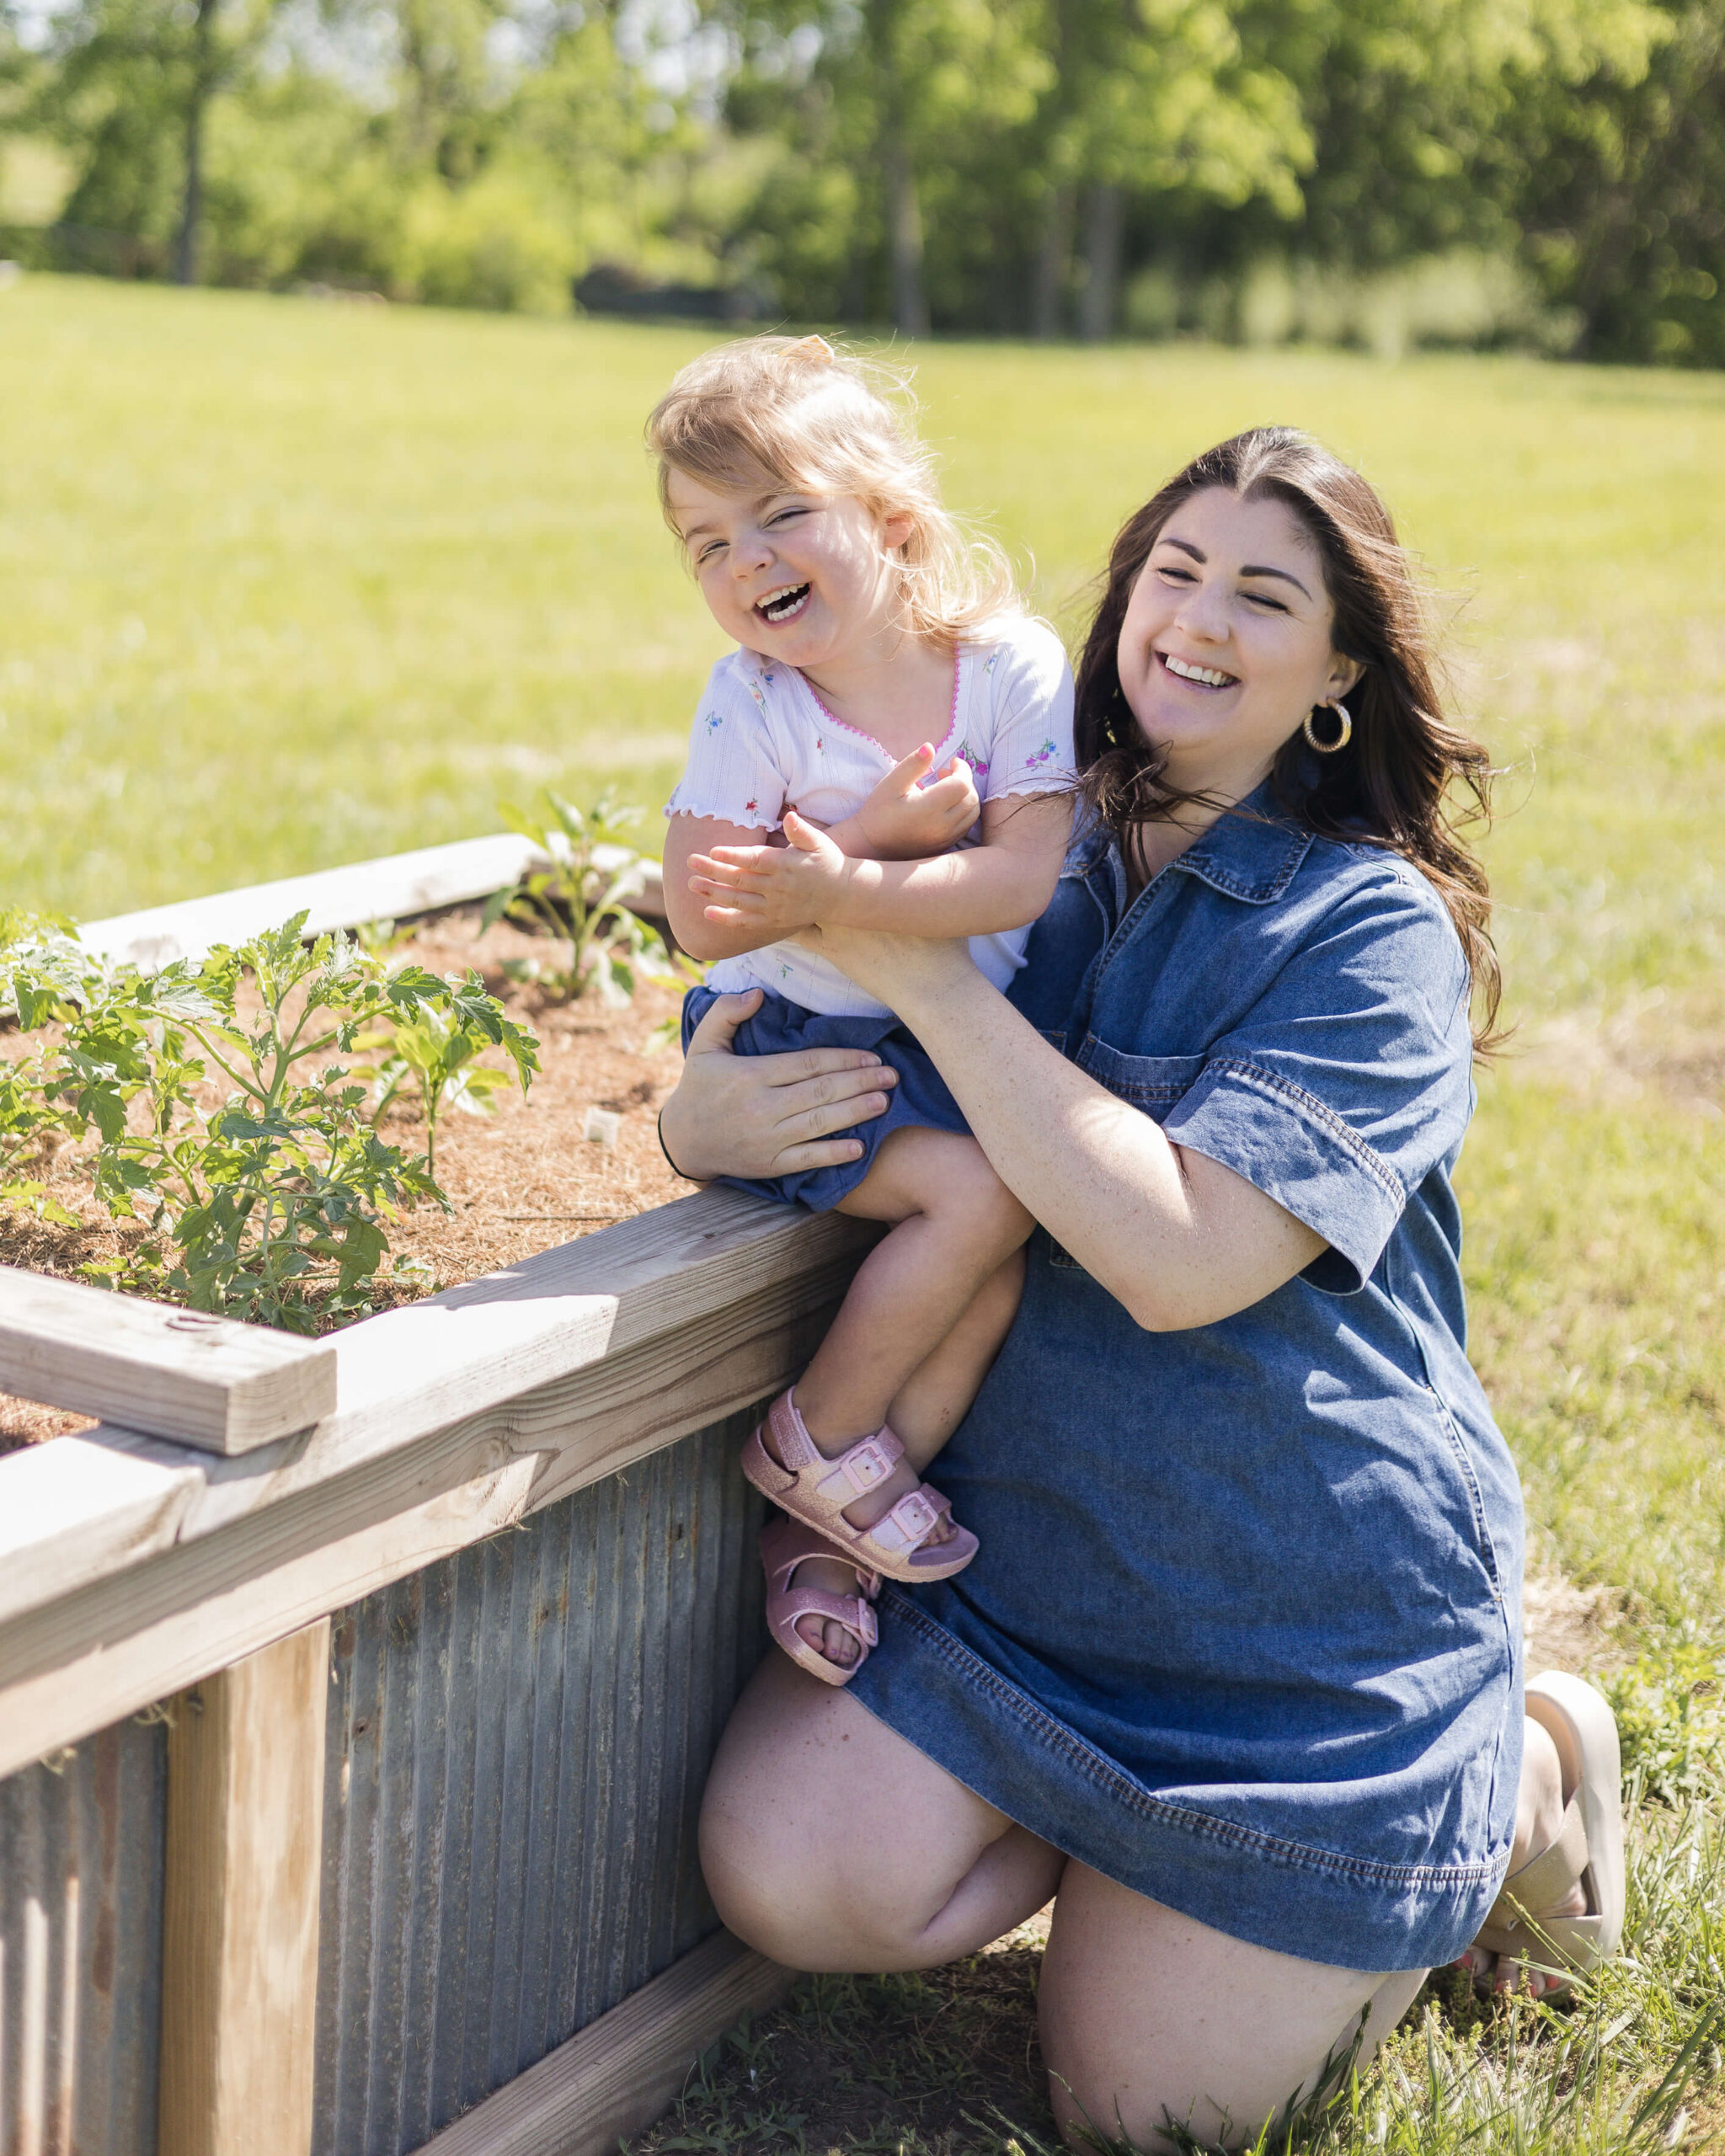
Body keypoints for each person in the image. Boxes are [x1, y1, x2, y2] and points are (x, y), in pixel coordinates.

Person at [657, 427, 1626, 2148]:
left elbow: (1178, 1256)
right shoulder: (1029, 828)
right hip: (1028, 1563)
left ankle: (1531, 1755)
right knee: (789, 1874)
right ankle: (1114, 1849)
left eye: (1262, 595)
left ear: (1337, 672)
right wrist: (701, 1107)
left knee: (1143, 2109)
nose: (1195, 618)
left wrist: (930, 971)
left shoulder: (1361, 928)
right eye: (1173, 571)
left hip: (1294, 1611)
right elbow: (787, 977)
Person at [649, 334, 1076, 1682]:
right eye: (705, 543)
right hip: (792, 1042)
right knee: (983, 1207)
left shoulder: (1006, 666)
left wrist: (839, 876)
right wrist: (868, 850)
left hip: (943, 1034)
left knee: (996, 1278)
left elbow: (1020, 876)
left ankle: (824, 1533)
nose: (744, 563)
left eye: (780, 515)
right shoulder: (756, 697)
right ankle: (813, 1444)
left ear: (892, 523)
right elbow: (703, 916)